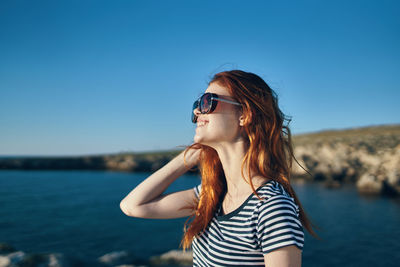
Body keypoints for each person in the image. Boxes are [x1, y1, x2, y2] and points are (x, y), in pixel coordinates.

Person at [120, 70, 319, 266]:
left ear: (244, 114)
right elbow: (133, 206)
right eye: (196, 106)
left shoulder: (271, 207)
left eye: (208, 102)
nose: (198, 111)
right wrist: (189, 155)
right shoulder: (211, 194)